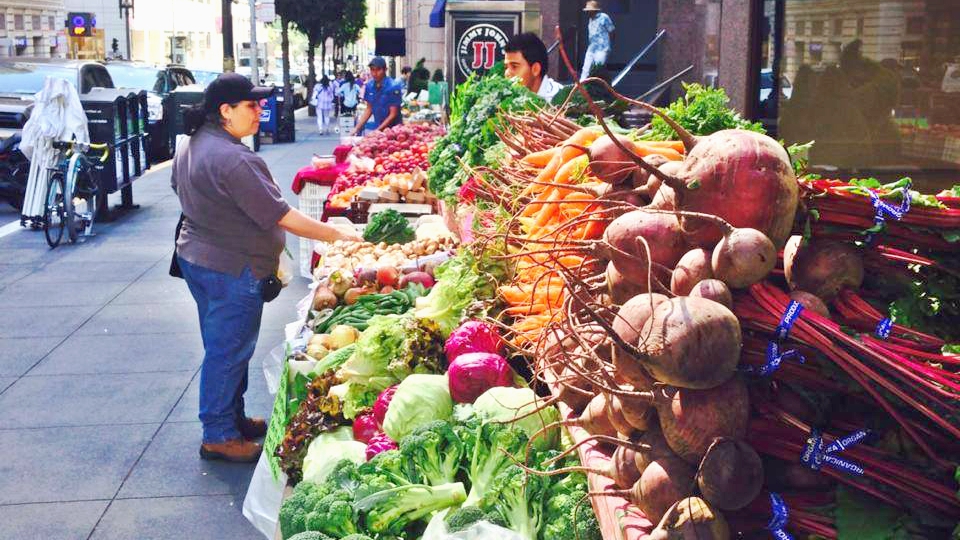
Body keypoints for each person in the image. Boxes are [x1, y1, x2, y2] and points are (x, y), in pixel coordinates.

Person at [172, 73, 361, 462]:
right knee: (228, 349)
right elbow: (283, 216)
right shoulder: (235, 158)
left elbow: (181, 189)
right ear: (225, 111)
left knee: (223, 344)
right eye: (251, 106)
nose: (260, 112)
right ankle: (219, 434)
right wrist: (335, 236)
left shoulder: (193, 145)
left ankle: (232, 417)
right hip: (231, 267)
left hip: (198, 258)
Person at [504, 32, 563, 102]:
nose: (507, 73)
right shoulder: (504, 99)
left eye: (514, 66)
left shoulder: (562, 101)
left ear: (535, 69)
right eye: (506, 67)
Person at [350, 57, 402, 136]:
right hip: (378, 127)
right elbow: (369, 109)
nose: (374, 73)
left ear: (385, 70)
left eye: (378, 70)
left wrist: (377, 131)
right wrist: (357, 128)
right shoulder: (369, 86)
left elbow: (393, 114)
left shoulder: (393, 86)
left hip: (394, 131)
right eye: (372, 70)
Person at [582, 0, 615, 81]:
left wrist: (608, 45)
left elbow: (612, 31)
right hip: (591, 48)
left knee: (598, 69)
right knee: (586, 68)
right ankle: (581, 86)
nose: (588, 12)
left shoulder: (604, 17)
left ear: (594, 10)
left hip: (602, 48)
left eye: (589, 11)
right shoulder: (590, 19)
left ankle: (598, 87)